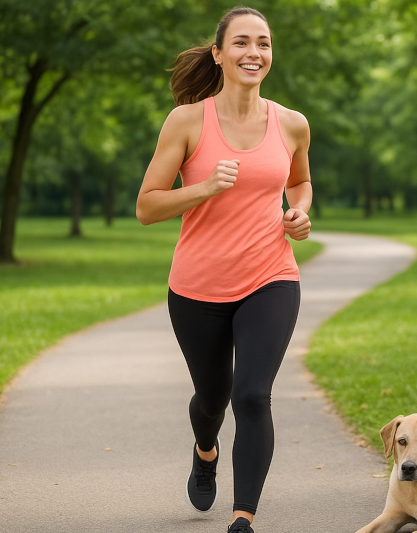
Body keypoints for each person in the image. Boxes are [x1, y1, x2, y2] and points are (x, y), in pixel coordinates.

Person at [135, 7, 312, 533]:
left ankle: (243, 518)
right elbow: (147, 206)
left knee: (253, 393)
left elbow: (300, 182)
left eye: (263, 42)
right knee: (212, 398)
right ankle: (204, 449)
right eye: (240, 42)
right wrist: (206, 187)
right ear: (218, 53)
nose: (253, 52)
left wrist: (299, 212)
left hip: (270, 275)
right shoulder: (187, 122)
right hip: (197, 287)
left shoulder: (292, 123)